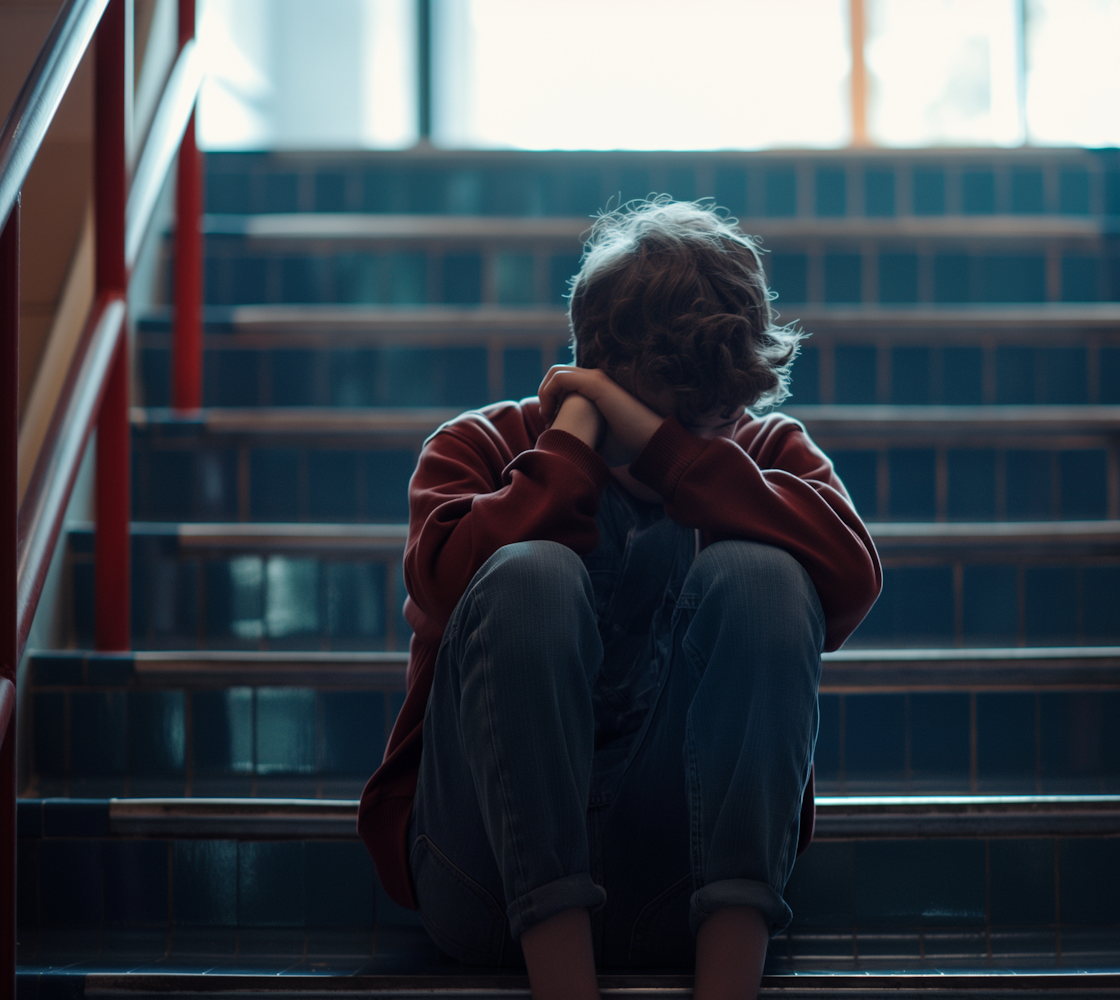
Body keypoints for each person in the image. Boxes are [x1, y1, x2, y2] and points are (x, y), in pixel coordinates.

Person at [358, 198, 881, 1000]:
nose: (715, 433)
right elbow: (441, 587)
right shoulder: (476, 449)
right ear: (600, 375)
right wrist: (572, 445)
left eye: (719, 417)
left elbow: (850, 578)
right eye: (677, 422)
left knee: (766, 576)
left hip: (687, 891)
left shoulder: (760, 448)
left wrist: (675, 453)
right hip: (488, 886)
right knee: (529, 574)